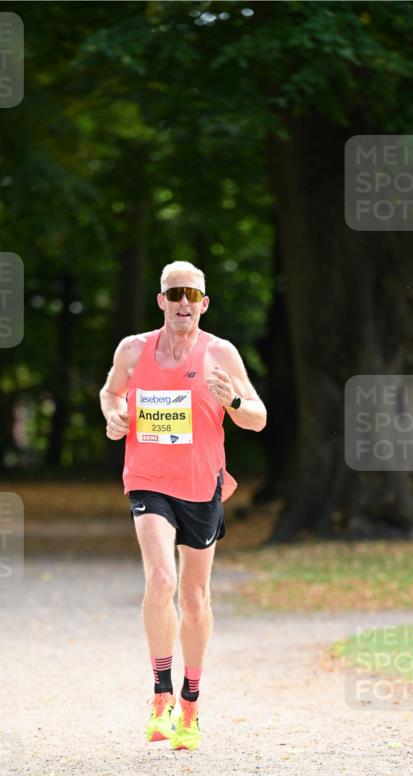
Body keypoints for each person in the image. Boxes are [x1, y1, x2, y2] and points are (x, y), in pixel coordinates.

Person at [99, 260, 267, 750]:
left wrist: (233, 402)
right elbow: (111, 393)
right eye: (175, 294)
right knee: (160, 579)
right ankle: (161, 694)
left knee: (194, 599)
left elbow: (258, 418)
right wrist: (114, 417)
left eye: (193, 296)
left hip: (201, 486)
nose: (183, 304)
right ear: (161, 302)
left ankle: (191, 704)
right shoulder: (133, 349)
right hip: (149, 480)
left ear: (204, 304)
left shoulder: (220, 353)